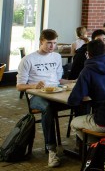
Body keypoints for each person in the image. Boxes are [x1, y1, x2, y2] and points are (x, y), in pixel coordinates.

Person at [17, 29, 70, 167]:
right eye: (49, 43)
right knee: (47, 108)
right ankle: (51, 150)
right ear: (41, 41)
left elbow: (59, 79)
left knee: (80, 101)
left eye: (54, 43)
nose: (52, 46)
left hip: (56, 93)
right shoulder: (28, 59)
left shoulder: (57, 57)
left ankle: (82, 145)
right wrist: (35, 85)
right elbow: (19, 86)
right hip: (36, 95)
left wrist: (72, 82)